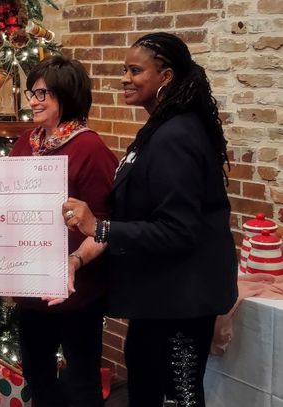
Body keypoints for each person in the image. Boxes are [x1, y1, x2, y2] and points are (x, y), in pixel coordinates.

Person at [61, 32, 238, 407]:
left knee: (179, 396)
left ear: (167, 76)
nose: (125, 77)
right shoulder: (160, 127)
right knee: (145, 385)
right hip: (160, 298)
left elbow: (179, 229)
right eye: (124, 69)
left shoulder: (177, 135)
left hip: (181, 303)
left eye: (136, 70)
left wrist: (101, 227)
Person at [10, 55, 118, 407]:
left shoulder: (91, 148)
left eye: (42, 94)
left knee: (81, 384)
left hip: (76, 294)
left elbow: (103, 227)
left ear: (66, 95)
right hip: (31, 290)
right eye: (31, 93)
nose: (33, 102)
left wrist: (73, 261)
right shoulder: (26, 143)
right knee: (39, 380)